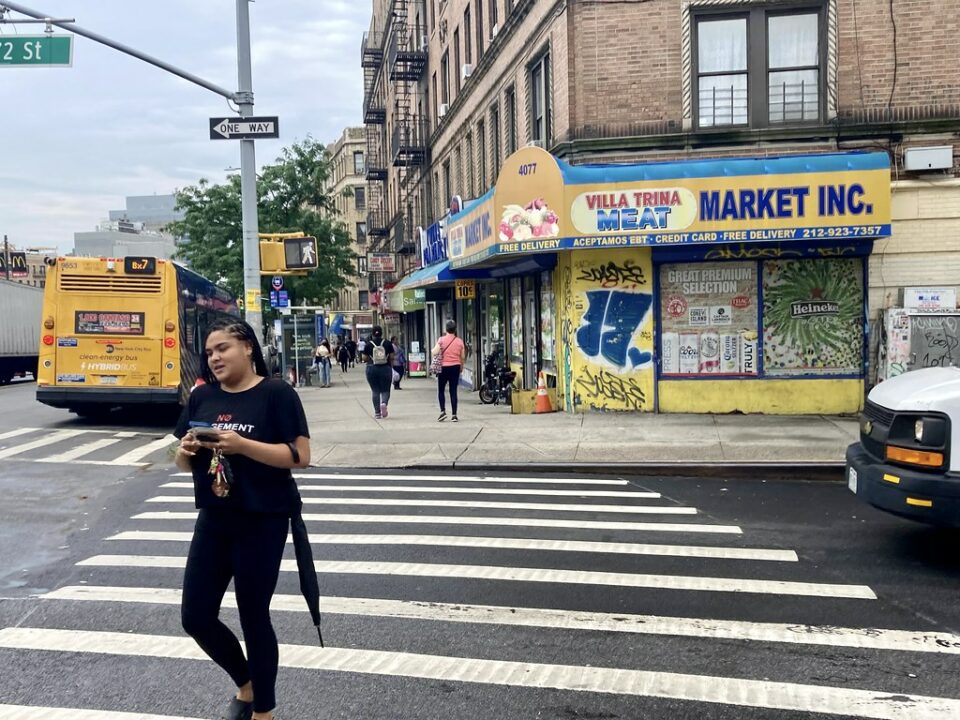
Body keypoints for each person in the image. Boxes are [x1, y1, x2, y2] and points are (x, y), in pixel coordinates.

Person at [173, 318, 311, 720]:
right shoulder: (202, 398)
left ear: (248, 347)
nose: (214, 357)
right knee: (195, 617)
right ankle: (246, 683)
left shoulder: (276, 394)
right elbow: (183, 463)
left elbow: (301, 457)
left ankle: (263, 710)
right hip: (214, 520)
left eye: (223, 348)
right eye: (210, 352)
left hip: (261, 520)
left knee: (253, 615)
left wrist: (242, 445)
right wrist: (186, 449)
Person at [433, 320, 466, 422]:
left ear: (446, 329)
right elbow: (463, 357)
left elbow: (435, 352)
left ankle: (442, 411)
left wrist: (433, 349)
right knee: (453, 391)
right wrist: (461, 367)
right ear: (455, 329)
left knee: (441, 390)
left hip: (443, 368)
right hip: (455, 367)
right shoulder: (460, 341)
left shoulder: (441, 340)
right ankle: (454, 415)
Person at [361, 325, 395, 419]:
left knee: (375, 390)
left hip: (372, 368)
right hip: (385, 368)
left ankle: (377, 412)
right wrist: (391, 366)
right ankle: (383, 403)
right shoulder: (387, 343)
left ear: (372, 334)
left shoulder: (368, 344)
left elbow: (364, 358)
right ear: (381, 333)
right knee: (385, 390)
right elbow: (392, 357)